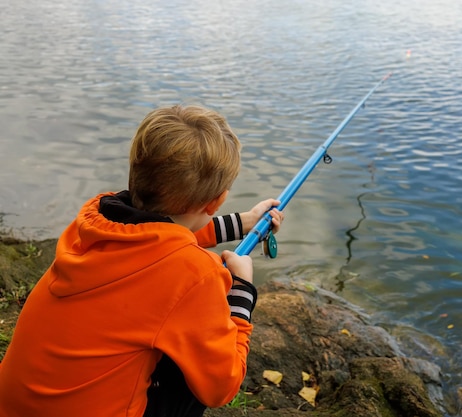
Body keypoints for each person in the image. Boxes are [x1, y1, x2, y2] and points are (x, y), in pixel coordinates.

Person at [0, 105, 284, 417]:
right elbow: (221, 388)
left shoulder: (91, 224)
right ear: (215, 201)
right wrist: (241, 292)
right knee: (194, 362)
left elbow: (158, 237)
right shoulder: (194, 274)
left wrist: (243, 222)